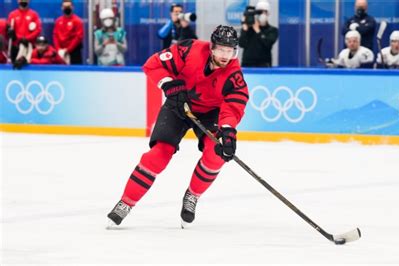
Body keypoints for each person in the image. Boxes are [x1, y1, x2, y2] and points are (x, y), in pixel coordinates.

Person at [107, 25, 249, 228]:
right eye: (221, 49)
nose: (226, 55)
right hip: (178, 105)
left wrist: (227, 131)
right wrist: (169, 84)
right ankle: (126, 202)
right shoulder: (190, 49)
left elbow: (234, 105)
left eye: (230, 51)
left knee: (216, 155)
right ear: (211, 47)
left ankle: (193, 195)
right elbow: (153, 65)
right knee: (158, 154)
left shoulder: (234, 75)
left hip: (211, 113)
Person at [238, 0, 279, 67]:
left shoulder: (272, 30)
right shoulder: (248, 28)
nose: (261, 14)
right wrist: (245, 30)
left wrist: (258, 30)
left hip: (264, 64)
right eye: (259, 12)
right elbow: (241, 44)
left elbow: (268, 44)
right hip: (247, 64)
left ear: (268, 14)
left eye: (264, 12)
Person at [7, 0, 42, 65]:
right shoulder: (12, 14)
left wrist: (26, 39)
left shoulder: (34, 14)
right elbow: (10, 31)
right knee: (16, 67)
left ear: (29, 1)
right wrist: (19, 38)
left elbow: (38, 30)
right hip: (16, 47)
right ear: (18, 1)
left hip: (30, 46)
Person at [53, 0, 84, 65]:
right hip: (60, 52)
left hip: (74, 52)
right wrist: (58, 49)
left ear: (73, 7)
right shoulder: (58, 21)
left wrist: (68, 49)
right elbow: (55, 35)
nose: (66, 8)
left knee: (76, 71)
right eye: (65, 6)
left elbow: (78, 37)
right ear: (61, 8)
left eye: (68, 6)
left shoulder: (77, 21)